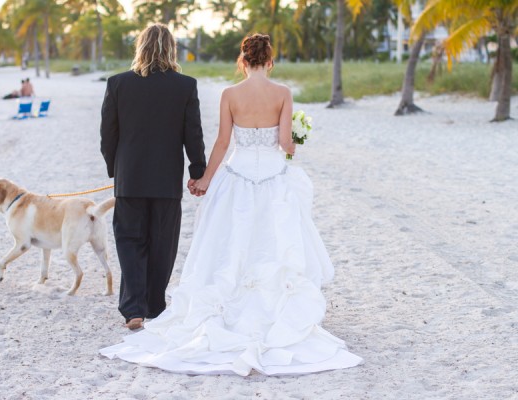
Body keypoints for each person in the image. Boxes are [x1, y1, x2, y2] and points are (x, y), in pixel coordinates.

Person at [100, 34, 363, 376]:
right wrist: (294, 140)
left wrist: (204, 179)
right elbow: (283, 144)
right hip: (268, 179)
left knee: (204, 245)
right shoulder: (281, 93)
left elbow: (222, 142)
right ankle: (158, 303)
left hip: (222, 177)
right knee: (267, 242)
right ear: (270, 61)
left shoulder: (227, 94)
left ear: (242, 61)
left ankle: (138, 306)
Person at [99, 24, 206, 331]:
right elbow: (193, 134)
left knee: (130, 242)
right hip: (166, 181)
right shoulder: (185, 86)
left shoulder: (118, 84)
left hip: (130, 179)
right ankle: (155, 306)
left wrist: (115, 169)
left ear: (140, 47)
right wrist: (197, 170)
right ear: (171, 49)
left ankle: (133, 308)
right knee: (162, 243)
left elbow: (108, 135)